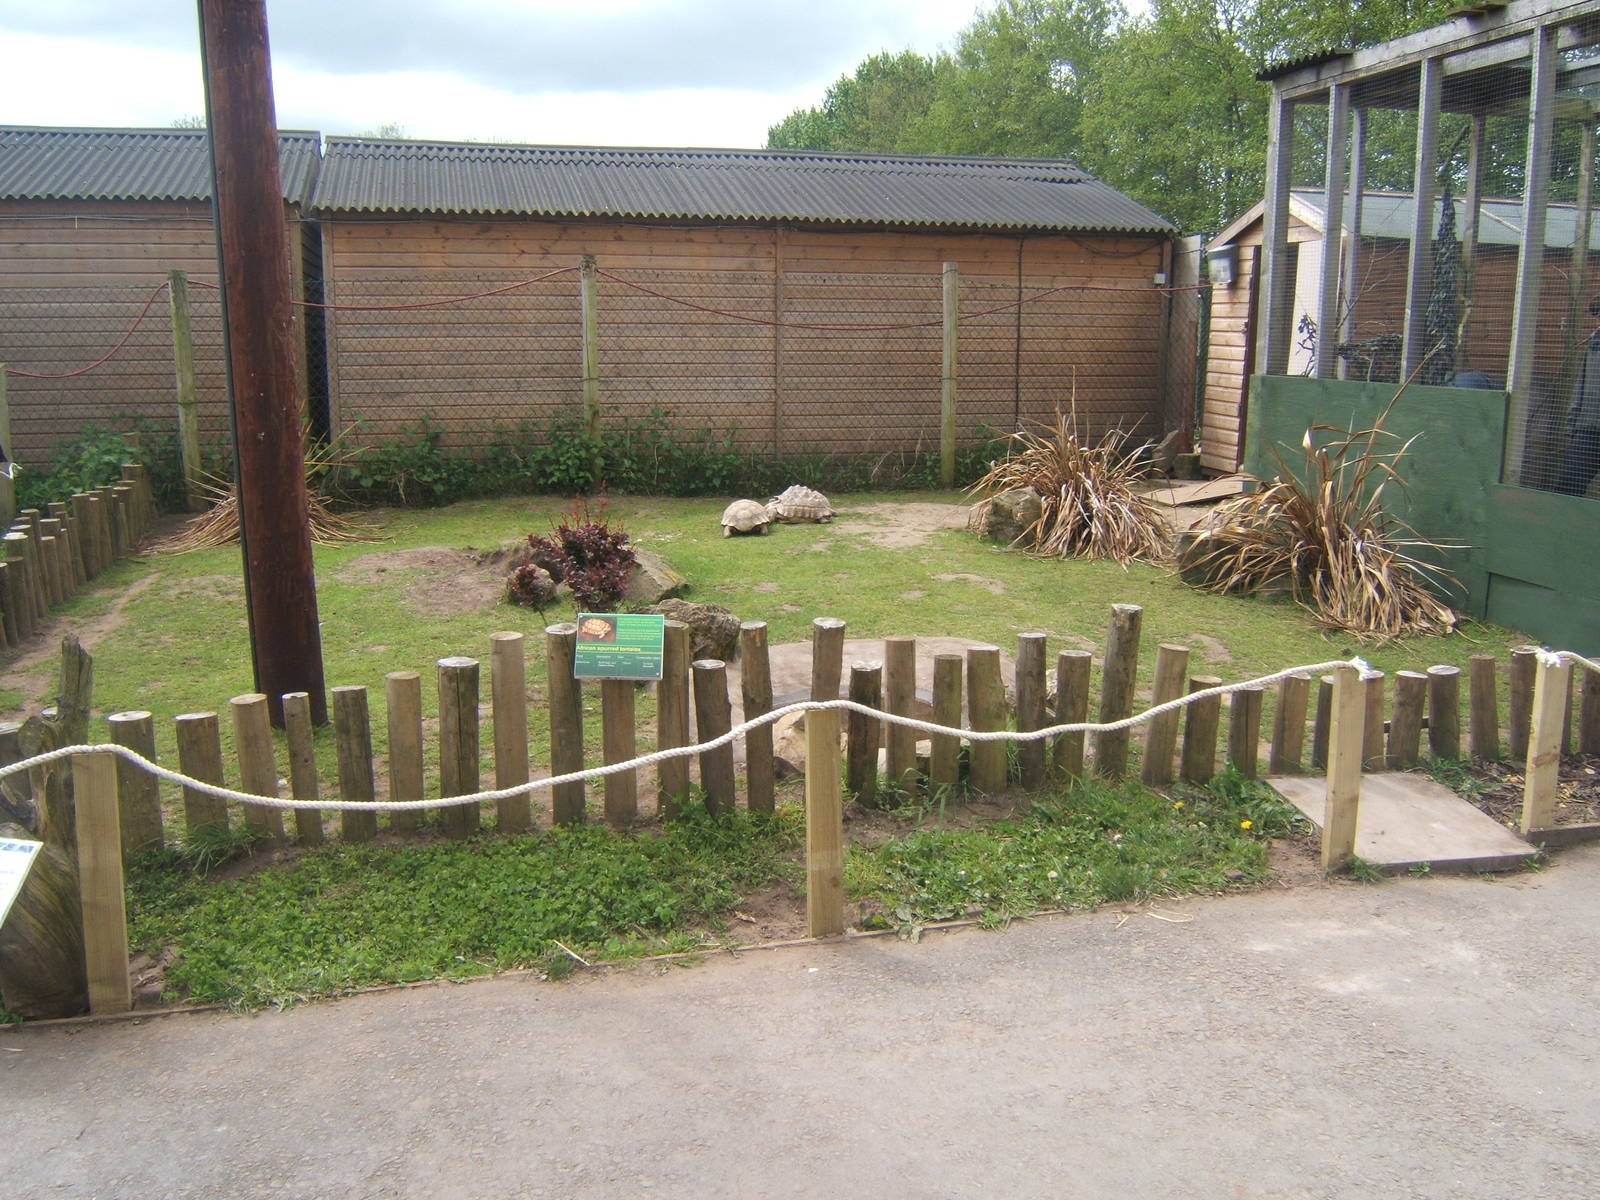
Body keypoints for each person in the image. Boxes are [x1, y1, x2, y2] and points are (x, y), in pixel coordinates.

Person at [1554, 295, 1600, 497]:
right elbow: (1581, 383)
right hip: (1589, 429)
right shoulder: (1594, 343)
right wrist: (1572, 423)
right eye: (1597, 315)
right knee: (1568, 486)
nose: (1597, 321)